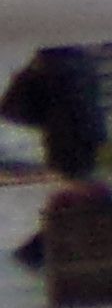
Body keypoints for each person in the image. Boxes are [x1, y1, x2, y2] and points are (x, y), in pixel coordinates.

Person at [5, 43, 103, 267]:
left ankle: (36, 250)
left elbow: (13, 108)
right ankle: (36, 250)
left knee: (84, 198)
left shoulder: (48, 69)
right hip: (84, 143)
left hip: (66, 145)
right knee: (86, 199)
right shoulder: (79, 66)